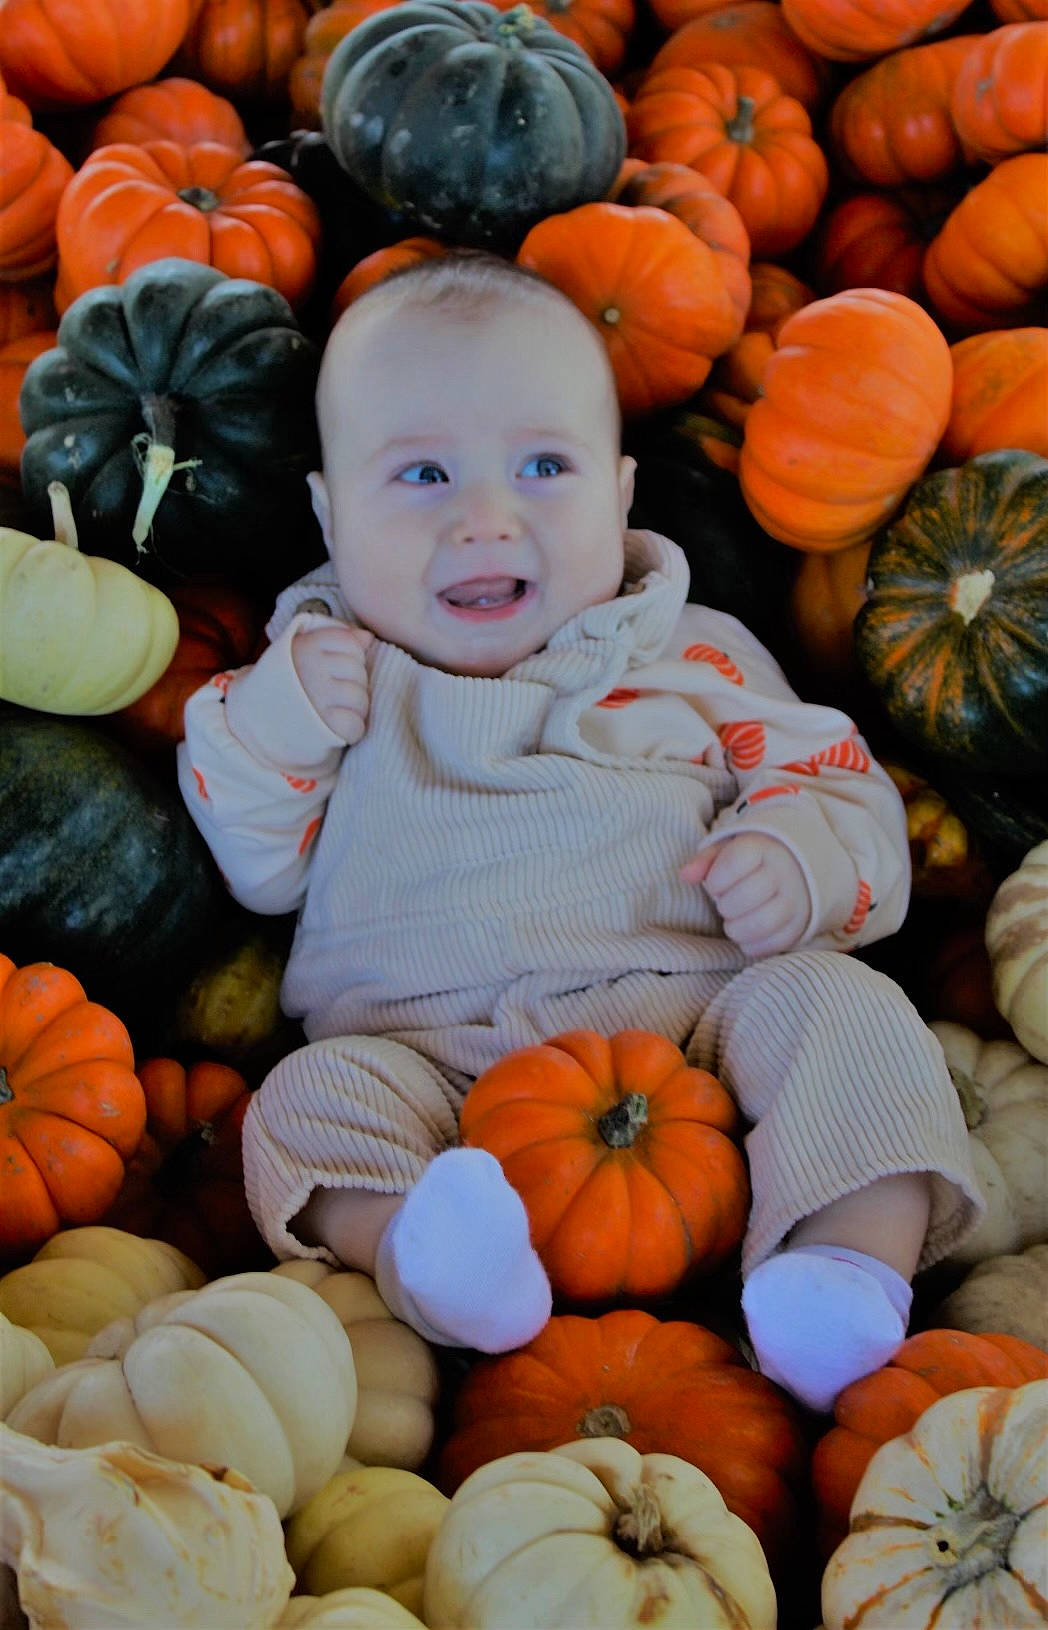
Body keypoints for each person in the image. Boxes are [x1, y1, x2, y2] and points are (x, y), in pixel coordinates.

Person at [177, 251, 983, 1413]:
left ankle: (838, 1273)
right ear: (328, 512)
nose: (484, 518)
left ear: (617, 497)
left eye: (542, 467)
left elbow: (835, 784)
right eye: (421, 474)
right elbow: (256, 863)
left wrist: (801, 860)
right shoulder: (327, 671)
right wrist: (279, 714)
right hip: (433, 1067)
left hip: (696, 1033)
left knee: (847, 1012)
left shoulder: (688, 654)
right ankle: (435, 1260)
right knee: (305, 1101)